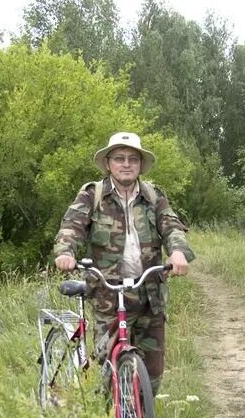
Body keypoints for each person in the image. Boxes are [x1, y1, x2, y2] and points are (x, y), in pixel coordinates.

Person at [53, 132, 195, 395]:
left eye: (133, 158)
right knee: (108, 370)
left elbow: (172, 226)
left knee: (151, 376)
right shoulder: (92, 195)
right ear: (108, 163)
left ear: (140, 164)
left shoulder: (153, 196)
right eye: (119, 158)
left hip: (149, 296)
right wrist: (66, 251)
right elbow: (71, 227)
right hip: (108, 295)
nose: (126, 164)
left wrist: (177, 252)